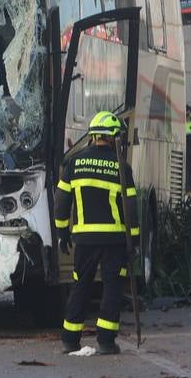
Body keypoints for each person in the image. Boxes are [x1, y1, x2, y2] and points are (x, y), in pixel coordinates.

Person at [53, 110, 139, 356]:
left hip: (84, 240)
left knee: (81, 285)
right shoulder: (121, 167)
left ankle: (70, 339)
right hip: (114, 240)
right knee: (112, 288)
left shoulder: (73, 163)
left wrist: (62, 233)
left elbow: (61, 202)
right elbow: (130, 208)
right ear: (112, 138)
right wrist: (133, 240)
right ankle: (106, 342)